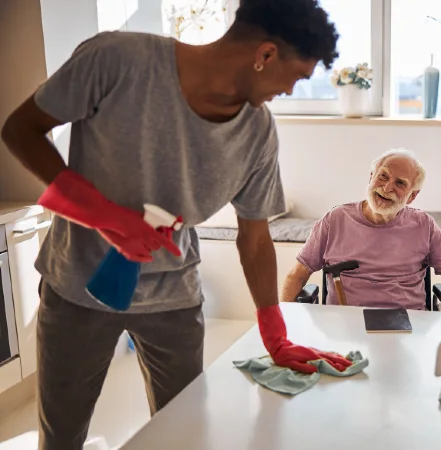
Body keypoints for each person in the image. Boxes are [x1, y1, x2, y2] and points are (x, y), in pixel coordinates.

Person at [0, 1, 353, 448]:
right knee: (62, 436)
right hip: (77, 290)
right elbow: (20, 129)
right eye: (296, 76)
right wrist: (103, 215)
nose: (290, 89)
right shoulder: (118, 60)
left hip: (174, 301)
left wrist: (274, 333)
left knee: (184, 437)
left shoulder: (257, 133)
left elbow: (255, 236)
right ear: (264, 54)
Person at [281, 149, 441, 310]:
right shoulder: (335, 220)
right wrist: (283, 326)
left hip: (409, 325)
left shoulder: (424, 225)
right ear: (371, 177)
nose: (387, 187)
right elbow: (297, 275)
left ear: (411, 196)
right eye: (383, 176)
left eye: (400, 183)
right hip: (345, 324)